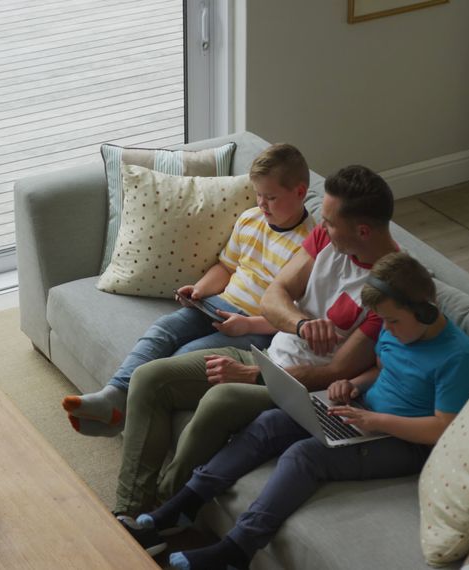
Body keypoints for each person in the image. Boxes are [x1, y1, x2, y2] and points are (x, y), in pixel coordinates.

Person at [124, 252, 469, 569]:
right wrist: (354, 385)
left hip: (404, 441)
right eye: (383, 321)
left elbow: (441, 428)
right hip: (361, 414)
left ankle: (237, 549)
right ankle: (185, 503)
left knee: (304, 456)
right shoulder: (400, 328)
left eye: (393, 322)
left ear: (426, 310)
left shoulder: (457, 357)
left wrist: (375, 420)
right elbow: (384, 368)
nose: (385, 330)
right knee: (271, 423)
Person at [112, 164, 399, 516]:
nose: (319, 226)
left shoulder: (391, 288)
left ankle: (166, 506)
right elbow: (273, 295)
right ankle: (128, 509)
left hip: (299, 390)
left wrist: (257, 376)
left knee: (221, 398)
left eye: (328, 222)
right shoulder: (328, 239)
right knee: (148, 377)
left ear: (364, 231)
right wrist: (302, 325)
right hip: (267, 354)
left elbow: (337, 369)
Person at [62, 143, 316, 435]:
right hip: (218, 305)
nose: (262, 204)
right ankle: (113, 395)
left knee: (186, 355)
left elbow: (296, 317)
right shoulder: (250, 219)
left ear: (299, 192)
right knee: (164, 328)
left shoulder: (310, 246)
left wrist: (247, 325)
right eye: (258, 194)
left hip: (258, 329)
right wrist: (199, 291)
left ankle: (122, 415)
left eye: (270, 197)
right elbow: (226, 267)